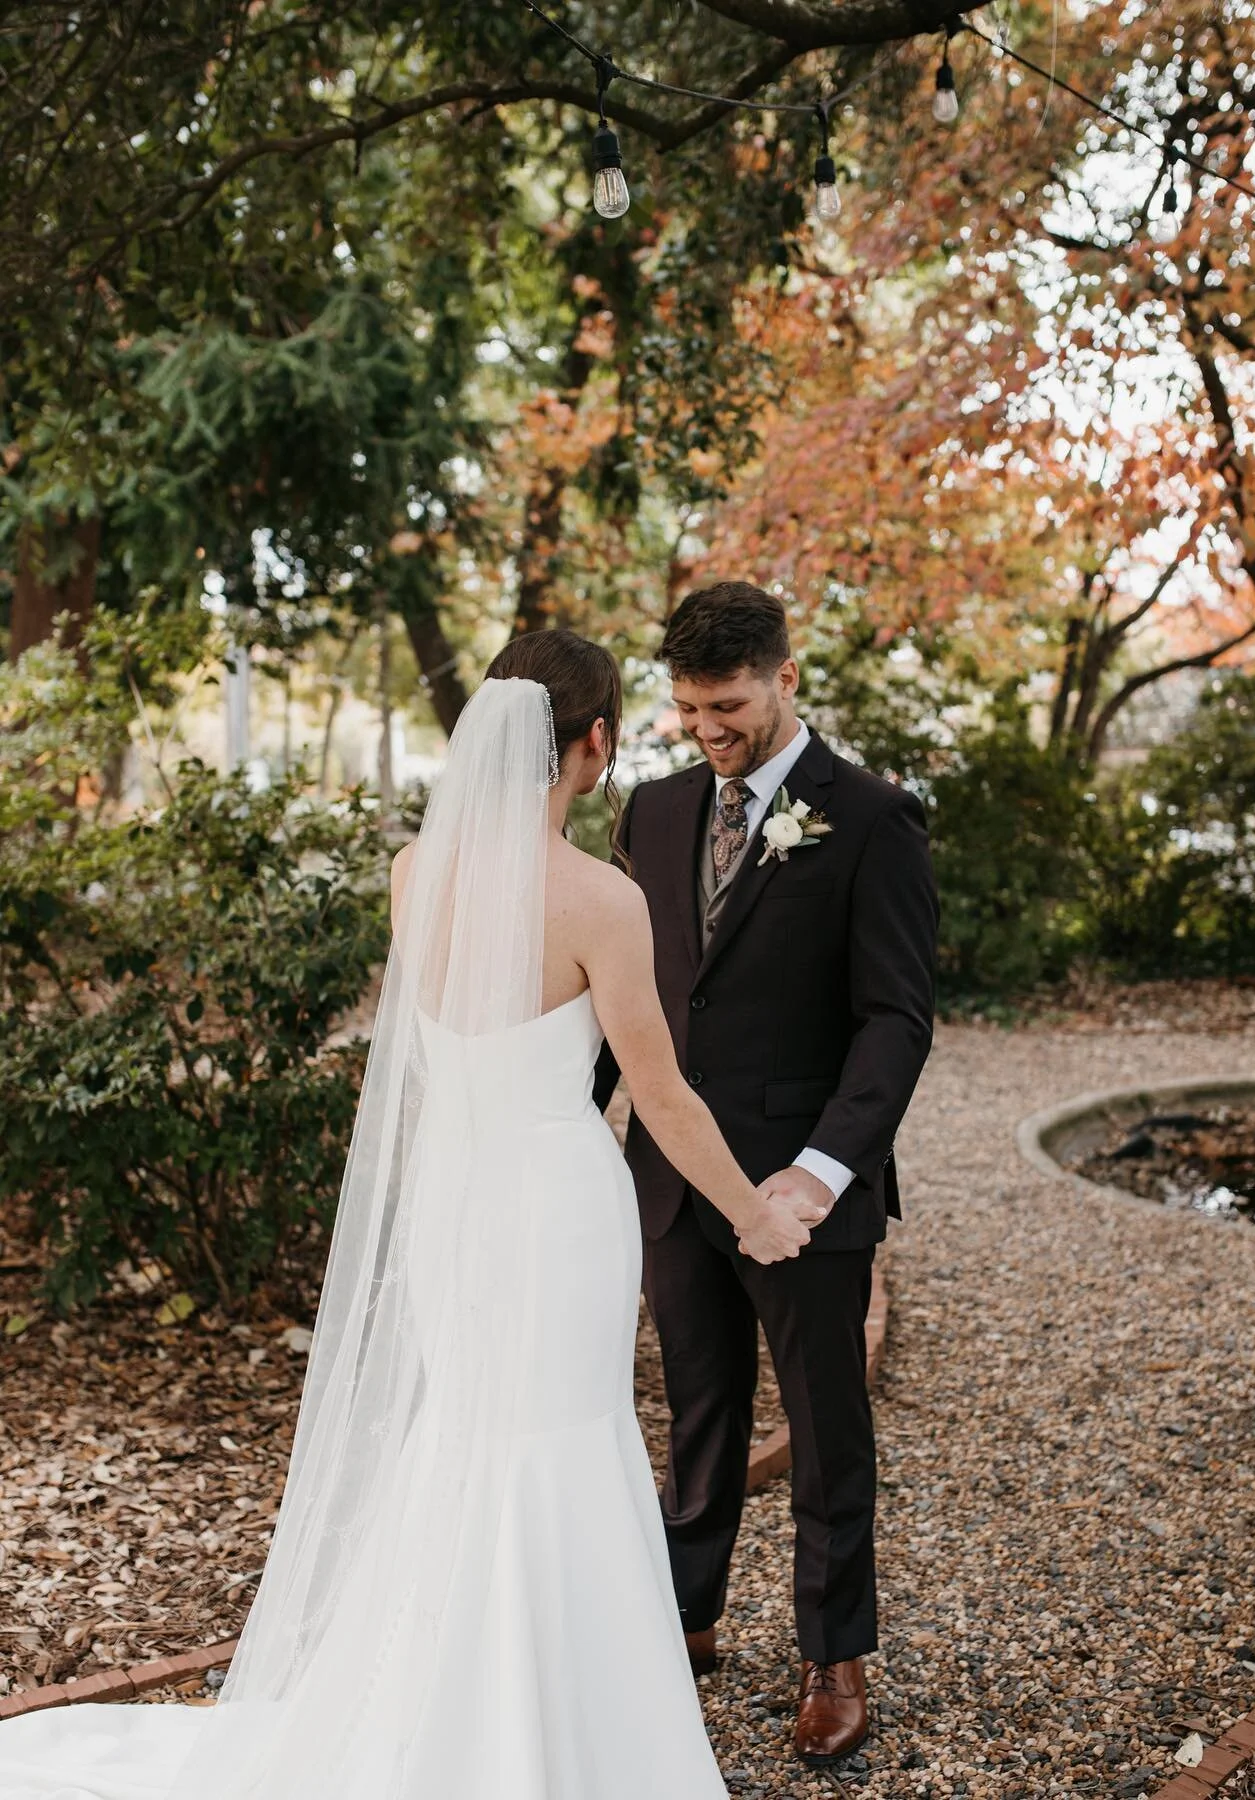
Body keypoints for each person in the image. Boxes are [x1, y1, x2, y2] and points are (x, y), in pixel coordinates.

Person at [0, 630, 820, 1800]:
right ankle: (556, 1735)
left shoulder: (412, 874)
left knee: (469, 1442)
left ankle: (440, 1710)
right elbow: (664, 1095)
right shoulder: (602, 899)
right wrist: (755, 1214)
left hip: (455, 1197)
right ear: (591, 745)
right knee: (559, 1443)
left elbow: (434, 1065)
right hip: (550, 1202)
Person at [595, 582, 938, 1768]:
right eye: (689, 708)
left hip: (802, 1196)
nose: (708, 730)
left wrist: (822, 1173)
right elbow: (629, 997)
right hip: (674, 1186)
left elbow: (894, 1022)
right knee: (699, 1413)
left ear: (787, 678)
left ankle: (834, 1654)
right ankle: (686, 1617)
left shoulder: (875, 820)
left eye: (728, 705)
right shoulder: (652, 811)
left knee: (827, 1426)